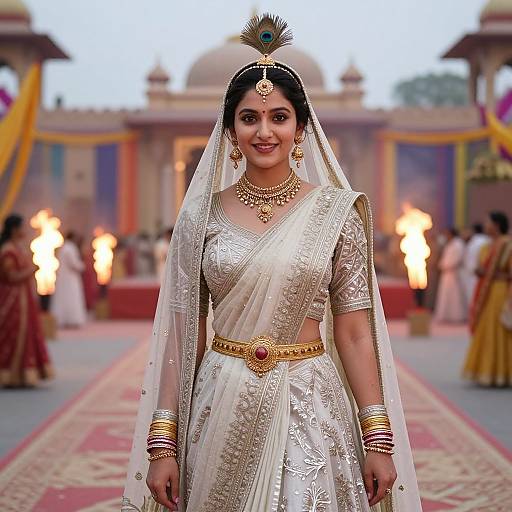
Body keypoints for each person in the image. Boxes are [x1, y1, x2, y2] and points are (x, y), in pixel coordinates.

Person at [123, 14, 420, 512]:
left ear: (300, 127)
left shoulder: (336, 214)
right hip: (222, 399)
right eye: (249, 118)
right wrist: (163, 443)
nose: (264, 131)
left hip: (310, 400)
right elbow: (182, 332)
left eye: (279, 117)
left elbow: (353, 332)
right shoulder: (202, 216)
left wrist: (377, 438)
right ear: (230, 128)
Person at [0, 214, 54, 387]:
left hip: (24, 298)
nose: (24, 231)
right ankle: (9, 375)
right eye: (22, 227)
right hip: (11, 299)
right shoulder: (8, 250)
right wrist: (31, 271)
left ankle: (23, 375)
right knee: (12, 334)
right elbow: (9, 276)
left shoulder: (19, 248)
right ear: (14, 229)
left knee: (27, 333)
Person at [463, 211, 512, 386]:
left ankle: (502, 374)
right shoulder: (487, 246)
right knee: (486, 330)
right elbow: (482, 267)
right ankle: (487, 372)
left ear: (497, 225)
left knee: (498, 330)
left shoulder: (507, 244)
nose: (486, 225)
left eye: (488, 222)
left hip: (501, 292)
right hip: (487, 291)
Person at [51, 231, 87, 327]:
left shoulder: (63, 248)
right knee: (72, 297)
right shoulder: (71, 248)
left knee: (64, 297)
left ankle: (64, 319)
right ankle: (72, 319)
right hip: (71, 278)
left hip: (64, 278)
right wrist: (82, 266)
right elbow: (74, 264)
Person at [434, 227, 467, 322]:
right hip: (447, 273)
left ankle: (457, 316)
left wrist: (445, 265)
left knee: (455, 297)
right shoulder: (450, 244)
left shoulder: (458, 244)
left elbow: (456, 259)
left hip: (454, 274)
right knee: (446, 296)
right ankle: (447, 316)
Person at [462, 223, 490, 306]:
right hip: (476, 274)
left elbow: (473, 260)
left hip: (475, 275)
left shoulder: (477, 242)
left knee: (474, 299)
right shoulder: (486, 240)